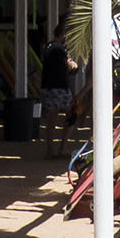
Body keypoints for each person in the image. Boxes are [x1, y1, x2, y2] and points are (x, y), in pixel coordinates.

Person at [40, 23, 80, 159]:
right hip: (59, 87)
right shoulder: (59, 49)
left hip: (48, 87)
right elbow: (65, 68)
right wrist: (72, 66)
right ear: (64, 34)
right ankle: (62, 147)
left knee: (52, 119)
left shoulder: (48, 47)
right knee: (72, 114)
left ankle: (50, 149)